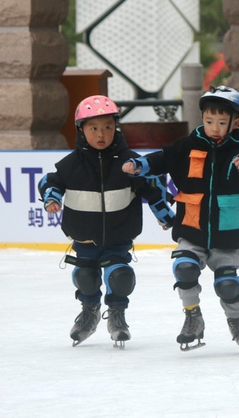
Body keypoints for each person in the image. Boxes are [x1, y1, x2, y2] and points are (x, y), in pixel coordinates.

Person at [122, 86, 239, 352]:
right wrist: (139, 165)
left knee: (227, 284)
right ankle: (193, 317)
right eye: (209, 121)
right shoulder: (187, 146)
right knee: (184, 267)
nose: (214, 128)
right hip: (191, 228)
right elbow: (160, 159)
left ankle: (236, 322)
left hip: (226, 233)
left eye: (222, 123)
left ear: (235, 123)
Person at [38, 95, 175, 348]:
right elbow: (50, 182)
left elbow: (153, 189)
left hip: (118, 236)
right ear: (81, 130)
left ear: (116, 128)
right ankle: (89, 311)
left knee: (120, 276)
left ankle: (117, 315)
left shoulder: (130, 164)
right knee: (86, 276)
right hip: (84, 237)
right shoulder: (71, 166)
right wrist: (51, 199)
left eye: (108, 127)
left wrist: (165, 216)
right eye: (93, 128)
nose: (101, 134)